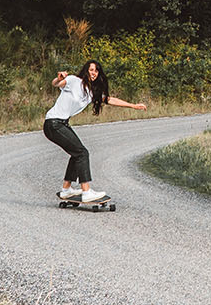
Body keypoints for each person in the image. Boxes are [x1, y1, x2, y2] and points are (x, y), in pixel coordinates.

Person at [45, 58, 145, 205]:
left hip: (61, 124)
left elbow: (110, 100)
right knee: (82, 153)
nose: (94, 73)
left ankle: (66, 189)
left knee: (77, 152)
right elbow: (56, 84)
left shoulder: (91, 92)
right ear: (86, 70)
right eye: (91, 70)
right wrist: (58, 78)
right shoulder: (73, 80)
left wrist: (133, 106)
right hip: (53, 123)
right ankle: (86, 191)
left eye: (96, 71)